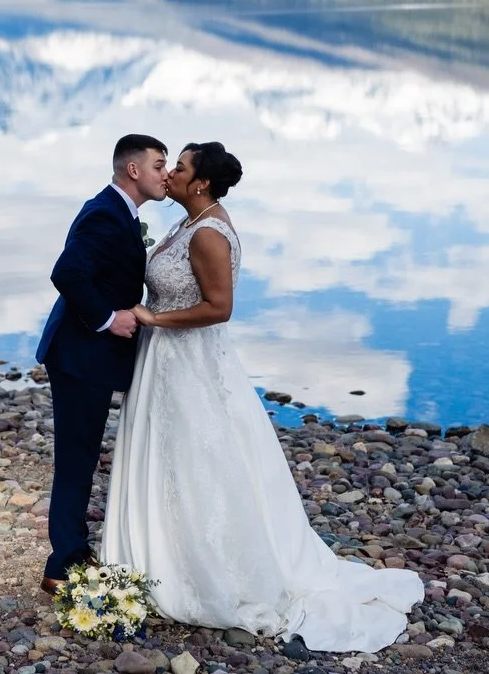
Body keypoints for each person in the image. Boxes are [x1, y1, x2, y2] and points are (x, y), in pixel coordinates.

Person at [101, 141, 424, 653]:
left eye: (179, 168)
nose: (171, 175)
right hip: (164, 362)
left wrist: (153, 318)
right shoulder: (187, 221)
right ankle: (158, 554)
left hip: (189, 362)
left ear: (201, 182)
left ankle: (206, 570)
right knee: (171, 459)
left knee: (196, 459)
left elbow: (219, 307)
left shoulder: (208, 232)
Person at [35, 133, 169, 593]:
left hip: (85, 356)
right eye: (158, 165)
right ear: (133, 170)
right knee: (76, 458)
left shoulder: (120, 212)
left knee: (84, 455)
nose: (164, 175)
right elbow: (66, 272)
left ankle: (73, 546)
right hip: (79, 355)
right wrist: (108, 318)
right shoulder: (105, 213)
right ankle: (63, 562)